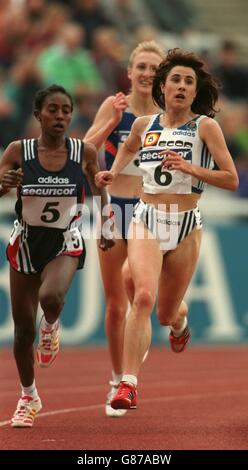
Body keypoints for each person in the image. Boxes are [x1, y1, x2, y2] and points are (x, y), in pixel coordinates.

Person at [95, 48, 239, 410]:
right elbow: (127, 147)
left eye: (189, 82)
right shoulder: (146, 125)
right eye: (175, 79)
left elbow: (231, 179)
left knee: (165, 313)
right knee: (142, 296)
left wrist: (192, 170)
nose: (181, 86)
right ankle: (127, 384)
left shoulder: (206, 126)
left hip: (186, 224)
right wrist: (114, 172)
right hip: (147, 218)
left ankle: (179, 322)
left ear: (194, 92)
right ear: (163, 85)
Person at [0, 84, 114, 427]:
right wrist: (3, 184)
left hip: (65, 239)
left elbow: (99, 188)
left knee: (51, 297)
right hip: (26, 243)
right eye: (53, 109)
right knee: (22, 332)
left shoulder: (85, 152)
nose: (61, 116)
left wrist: (108, 226)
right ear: (38, 115)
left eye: (66, 110)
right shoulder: (18, 151)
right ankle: (28, 396)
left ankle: (50, 325)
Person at [84, 40, 165, 417]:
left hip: (150, 211)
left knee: (144, 294)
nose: (148, 74)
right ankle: (118, 380)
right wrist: (112, 123)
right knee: (116, 304)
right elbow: (84, 150)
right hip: (112, 209)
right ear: (130, 72)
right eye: (142, 67)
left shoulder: (170, 113)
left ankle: (162, 328)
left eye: (154, 68)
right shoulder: (114, 105)